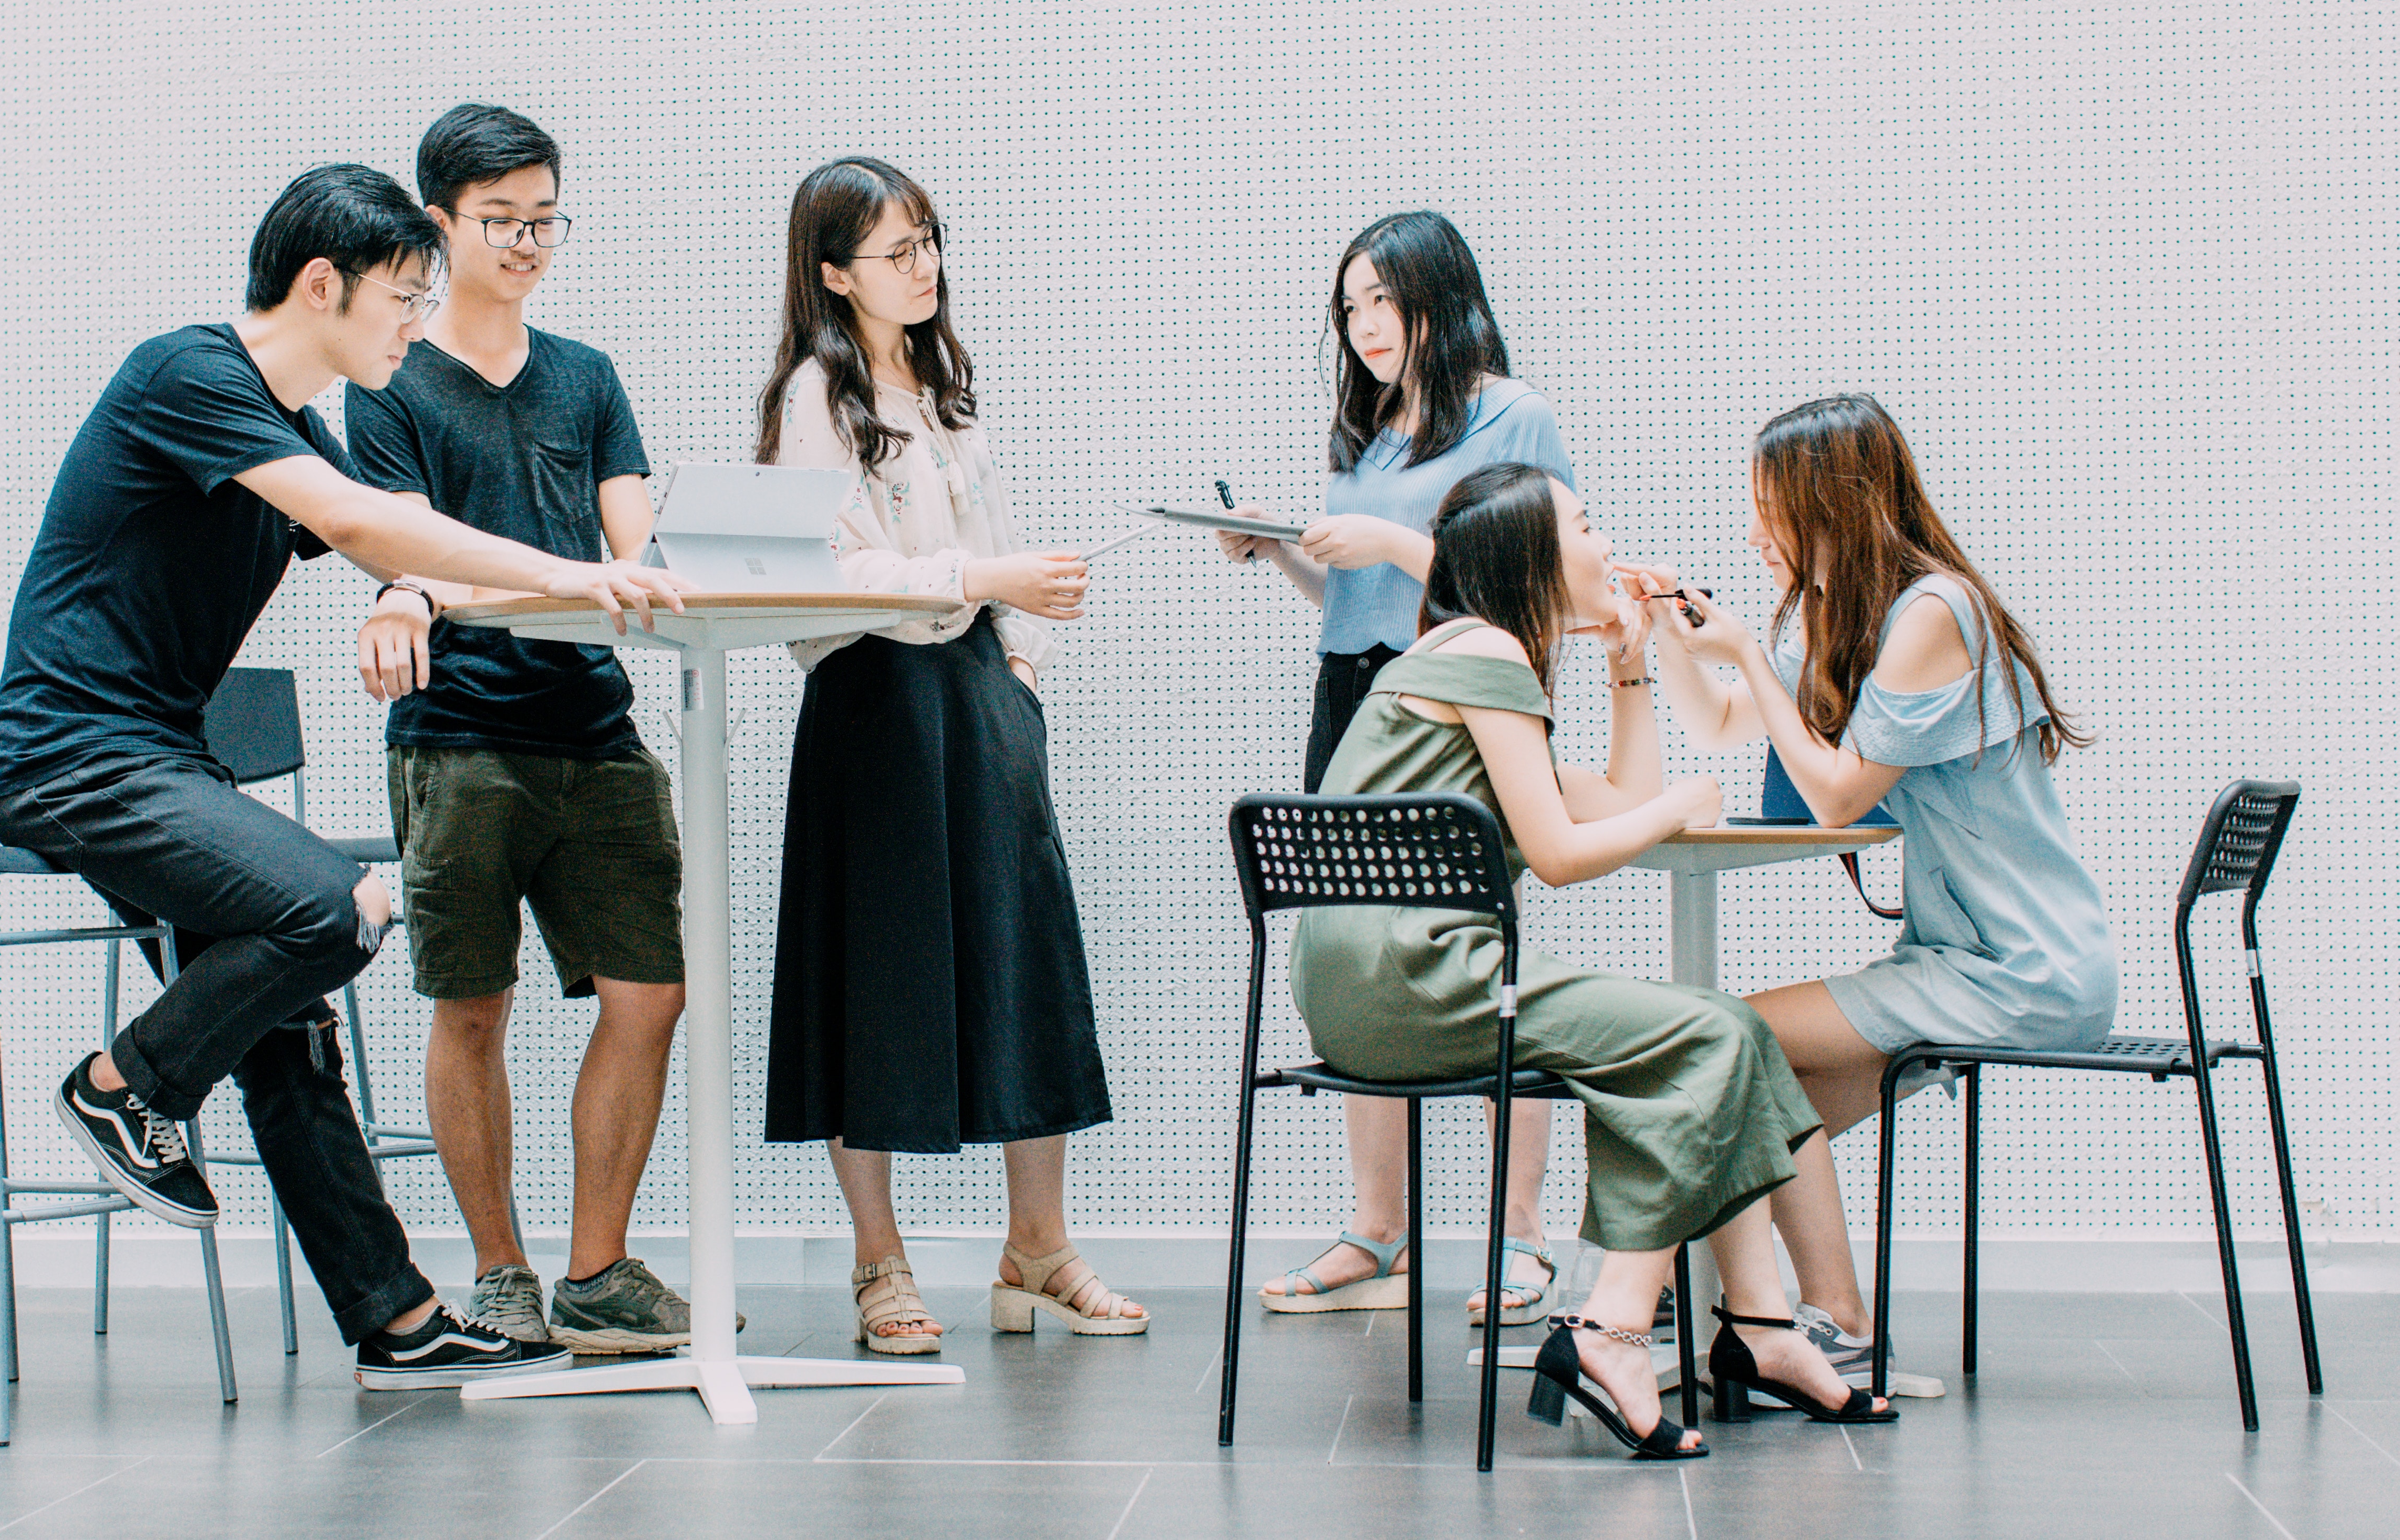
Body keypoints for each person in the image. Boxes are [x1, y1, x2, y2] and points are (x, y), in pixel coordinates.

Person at [0, 163, 693, 1390]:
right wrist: (572, 574)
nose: (418, 330)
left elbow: (397, 535)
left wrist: (447, 582)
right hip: (71, 754)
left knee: (288, 1029)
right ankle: (122, 1086)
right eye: (404, 302)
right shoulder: (188, 375)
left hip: (157, 756)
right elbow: (367, 526)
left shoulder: (292, 426)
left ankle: (397, 1319)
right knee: (335, 905)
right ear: (324, 286)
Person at [1291, 461, 1894, 1457]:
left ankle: (1761, 1327)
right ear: (1533, 555)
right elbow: (1571, 855)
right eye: (1585, 523)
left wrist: (1628, 662)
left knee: (1724, 1034)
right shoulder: (1486, 654)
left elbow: (1616, 795)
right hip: (1425, 982)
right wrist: (1685, 803)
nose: (1605, 544)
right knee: (1717, 1030)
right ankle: (1615, 1333)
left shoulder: (1453, 656)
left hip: (1368, 989)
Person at [754, 156, 1144, 1351]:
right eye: (894, 250)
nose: (922, 267)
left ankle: (1039, 1248)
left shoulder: (942, 380)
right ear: (832, 273)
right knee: (870, 979)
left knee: (1022, 964)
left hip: (976, 693)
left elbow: (1000, 542)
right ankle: (880, 1263)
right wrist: (981, 584)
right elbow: (825, 574)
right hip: (873, 705)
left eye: (929, 241)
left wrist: (1016, 666)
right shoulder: (813, 398)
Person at [1652, 392, 2114, 1385]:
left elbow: (1836, 796)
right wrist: (1669, 645)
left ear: (1831, 503)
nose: (1755, 533)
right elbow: (1729, 725)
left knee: (1734, 1034)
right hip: (1958, 958)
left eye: (1770, 507)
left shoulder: (1935, 613)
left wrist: (1742, 650)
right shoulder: (1852, 614)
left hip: (2021, 969)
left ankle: (1794, 1313)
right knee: (1758, 1087)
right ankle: (1804, 1319)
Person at [346, 105, 700, 1354]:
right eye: (502, 222)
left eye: (546, 219)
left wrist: (673, 558)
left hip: (595, 729)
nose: (529, 242)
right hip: (459, 739)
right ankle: (500, 1272)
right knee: (472, 1005)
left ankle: (595, 1268)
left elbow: (629, 546)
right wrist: (416, 590)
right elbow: (406, 550)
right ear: (439, 224)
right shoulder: (390, 384)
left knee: (649, 993)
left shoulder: (587, 376)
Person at [1218, 211, 1574, 1326]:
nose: (1364, 325)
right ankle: (1379, 1228)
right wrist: (1280, 547)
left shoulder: (1514, 416)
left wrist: (1388, 542)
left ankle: (1517, 1239)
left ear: (1439, 295)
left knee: (1479, 948)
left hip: (1465, 694)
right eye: (1349, 305)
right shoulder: (1367, 436)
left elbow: (1528, 580)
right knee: (1354, 951)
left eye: (1383, 299)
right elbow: (1354, 603)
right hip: (1357, 696)